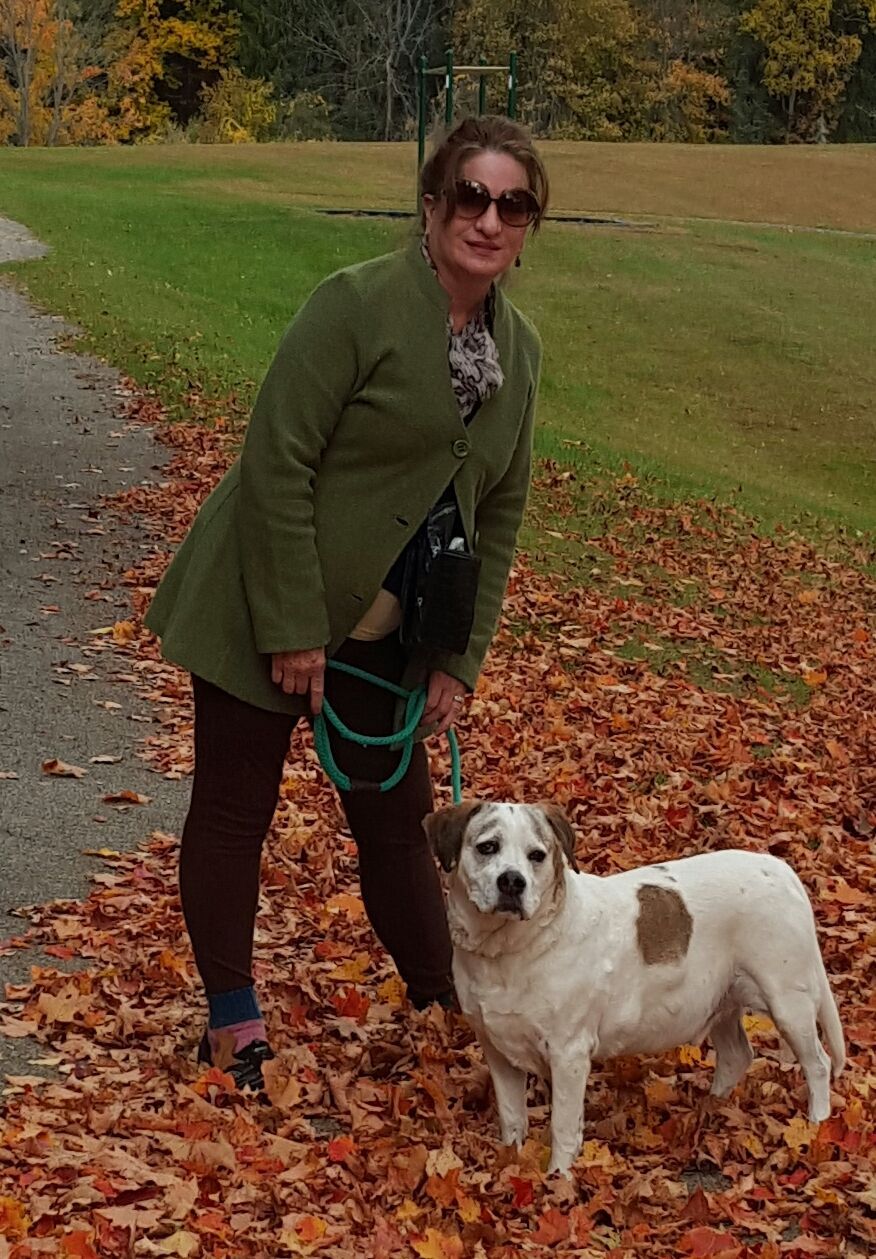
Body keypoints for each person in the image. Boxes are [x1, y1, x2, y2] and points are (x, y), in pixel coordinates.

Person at [144, 114, 549, 1090]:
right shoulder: (356, 305)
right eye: (472, 197)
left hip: (387, 629)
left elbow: (498, 513)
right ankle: (233, 1023)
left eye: (514, 203)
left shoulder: (518, 353)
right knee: (236, 807)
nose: (489, 220)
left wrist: (458, 653)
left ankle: (442, 1003)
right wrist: (290, 627)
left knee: (396, 816)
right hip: (261, 590)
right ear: (432, 205)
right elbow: (277, 461)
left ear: (531, 224)